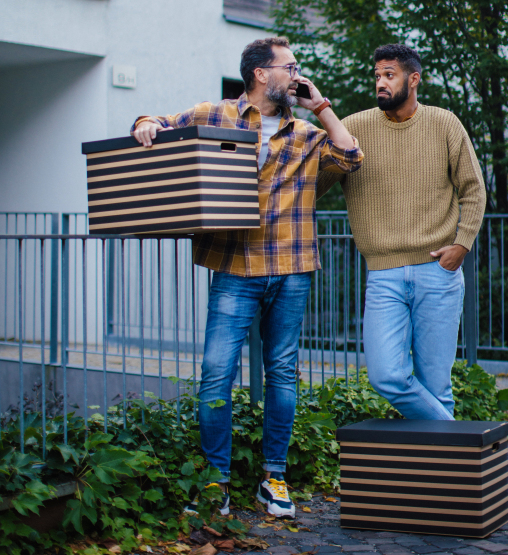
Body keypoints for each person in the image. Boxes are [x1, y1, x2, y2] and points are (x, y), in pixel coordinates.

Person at [132, 37, 363, 517]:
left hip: (292, 269)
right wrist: (146, 124)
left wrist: (319, 103)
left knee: (282, 374)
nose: (296, 74)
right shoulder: (215, 115)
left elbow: (351, 157)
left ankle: (273, 478)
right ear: (261, 73)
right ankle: (215, 482)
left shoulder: (305, 132)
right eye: (290, 67)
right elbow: (155, 121)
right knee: (217, 374)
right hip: (235, 268)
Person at [317, 43, 486, 421]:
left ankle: (440, 475)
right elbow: (313, 188)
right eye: (377, 75)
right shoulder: (354, 129)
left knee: (436, 385)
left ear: (414, 79)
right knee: (387, 376)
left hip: (437, 272)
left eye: (389, 75)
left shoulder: (444, 123)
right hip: (383, 274)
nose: (380, 83)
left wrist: (462, 245)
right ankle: (462, 446)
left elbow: (473, 189)